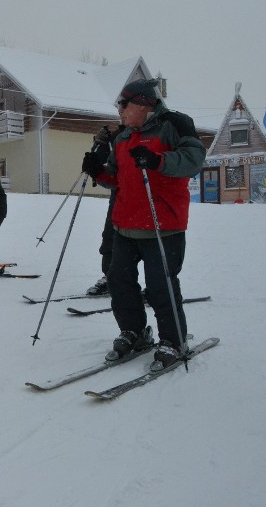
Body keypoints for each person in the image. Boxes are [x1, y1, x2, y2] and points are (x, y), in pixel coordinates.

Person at [81, 78, 205, 371]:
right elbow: (118, 178)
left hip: (163, 225)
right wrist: (98, 172)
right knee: (119, 281)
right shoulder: (123, 138)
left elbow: (194, 159)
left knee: (160, 286)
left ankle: (173, 341)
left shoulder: (173, 125)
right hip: (125, 225)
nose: (120, 112)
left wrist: (157, 159)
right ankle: (134, 332)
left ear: (142, 104)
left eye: (123, 105)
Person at [86, 125, 119, 296]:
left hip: (145, 194)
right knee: (109, 237)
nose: (122, 112)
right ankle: (109, 277)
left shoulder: (145, 131)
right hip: (118, 195)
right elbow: (100, 160)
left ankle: (156, 284)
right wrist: (99, 143)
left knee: (144, 243)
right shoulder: (117, 135)